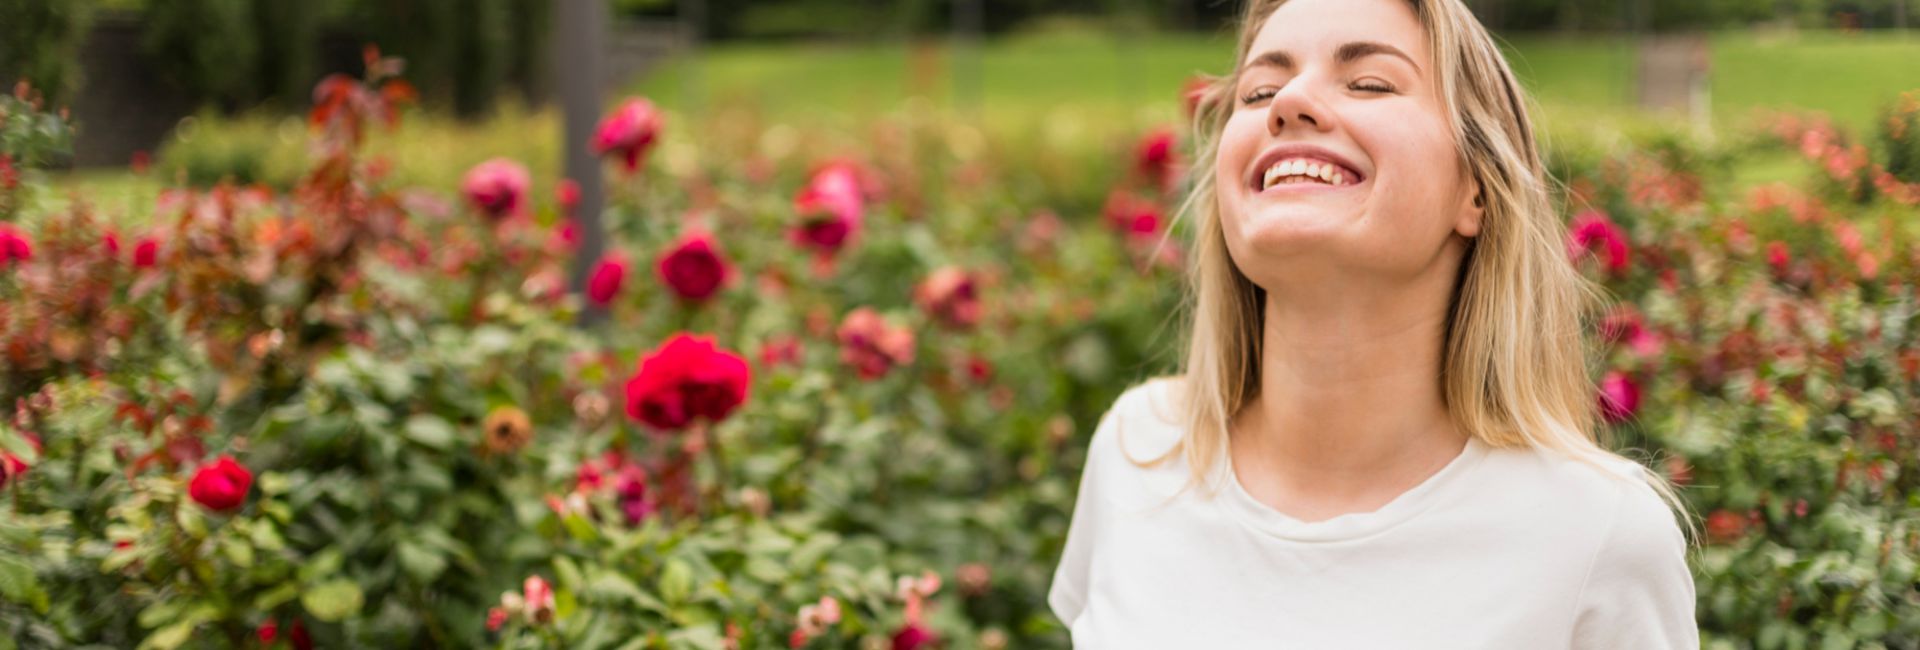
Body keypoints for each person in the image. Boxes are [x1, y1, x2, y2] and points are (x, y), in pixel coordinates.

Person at [1046, 0, 1700, 647]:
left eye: (1368, 83)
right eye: (1259, 90)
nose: (1289, 102)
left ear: (1474, 187)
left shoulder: (1597, 536)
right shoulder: (1138, 451)